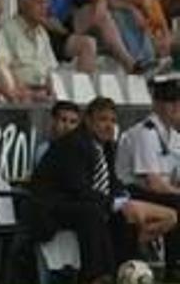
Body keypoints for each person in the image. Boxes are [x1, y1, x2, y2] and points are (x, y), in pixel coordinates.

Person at [30, 97, 177, 284]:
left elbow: (111, 182)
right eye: (103, 120)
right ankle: (98, 276)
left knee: (128, 209)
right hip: (51, 207)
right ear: (88, 121)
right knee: (93, 212)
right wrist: (117, 204)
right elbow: (79, 189)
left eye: (113, 121)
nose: (109, 126)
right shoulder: (74, 144)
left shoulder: (105, 146)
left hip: (84, 201)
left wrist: (125, 198)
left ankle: (137, 264)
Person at [115, 73, 180, 280]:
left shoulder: (174, 136)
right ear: (157, 105)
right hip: (131, 192)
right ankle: (174, 267)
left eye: (179, 102)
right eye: (170, 102)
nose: (176, 107)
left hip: (160, 192)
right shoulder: (145, 132)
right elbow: (153, 182)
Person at [34, 100, 81, 165]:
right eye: (63, 120)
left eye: (73, 122)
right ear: (54, 121)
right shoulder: (44, 150)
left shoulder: (84, 151)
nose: (67, 126)